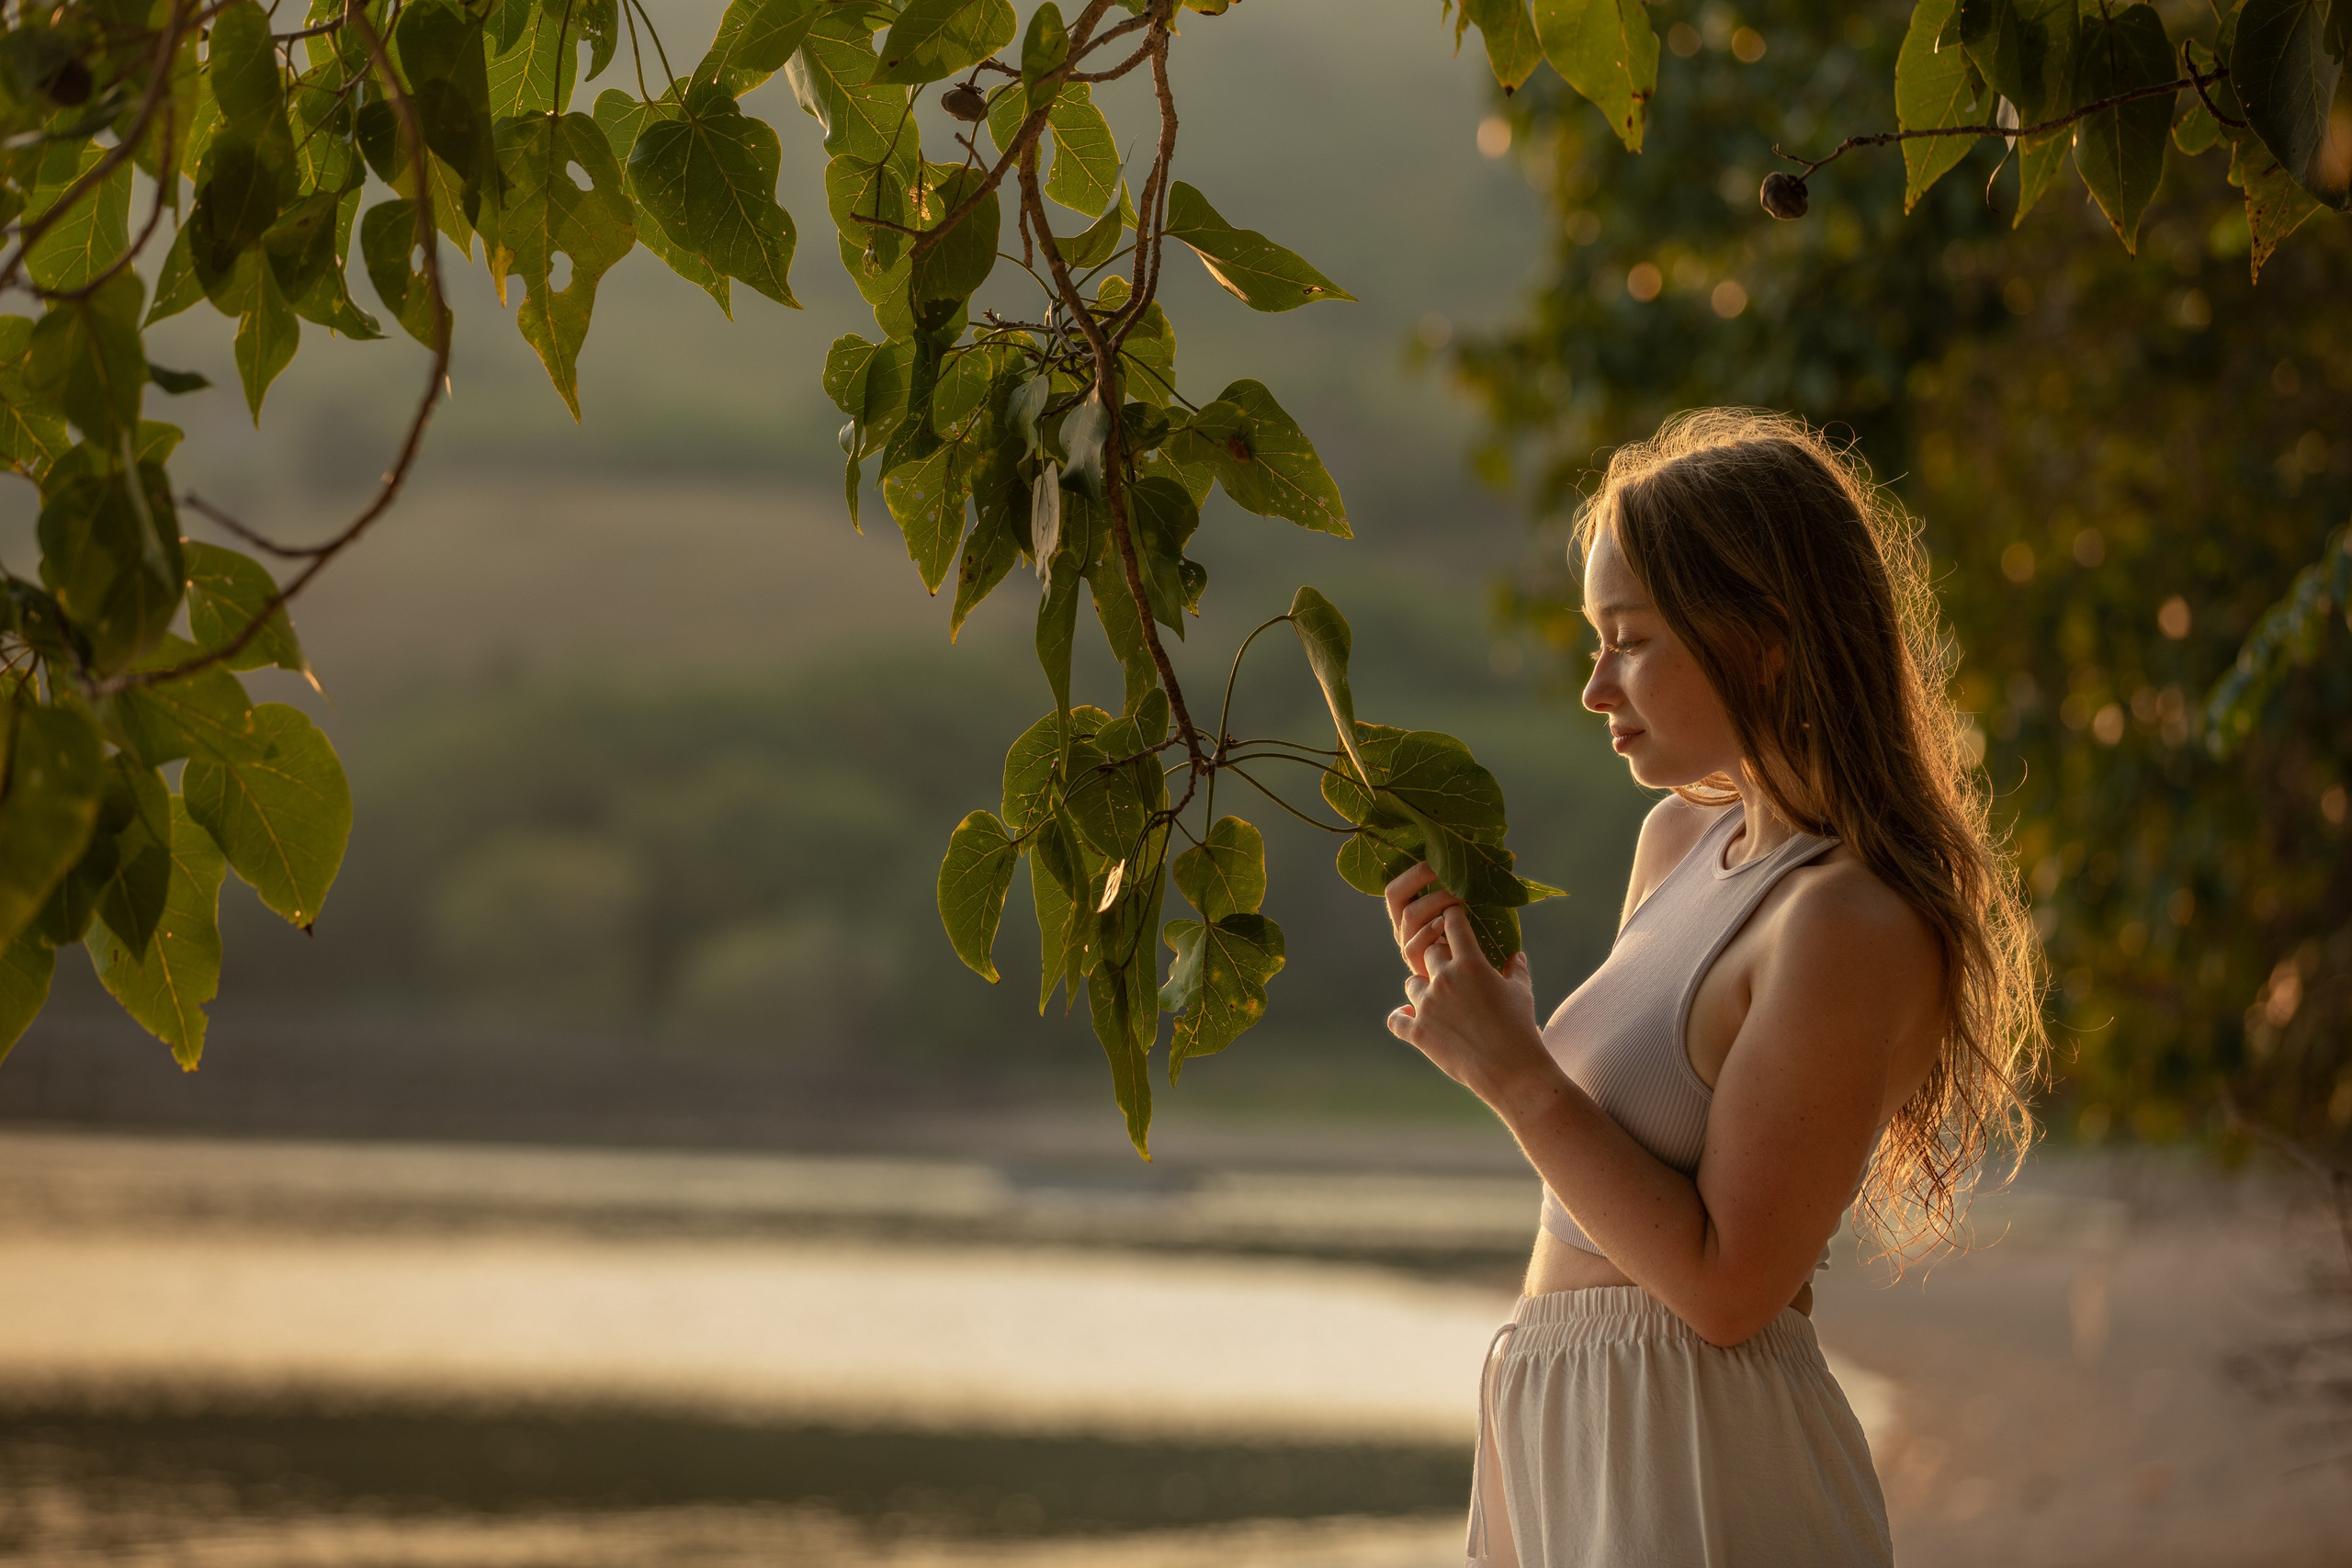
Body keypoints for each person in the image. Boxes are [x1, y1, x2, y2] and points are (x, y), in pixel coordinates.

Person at [1384, 411, 2046, 1566]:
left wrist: (1510, 1070)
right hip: (1567, 1426)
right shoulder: (1681, 845)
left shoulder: (1843, 920)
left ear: (1766, 638)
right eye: (1596, 639)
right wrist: (1498, 1018)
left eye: (1629, 640)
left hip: (1694, 1452)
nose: (1596, 687)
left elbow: (1732, 1288)